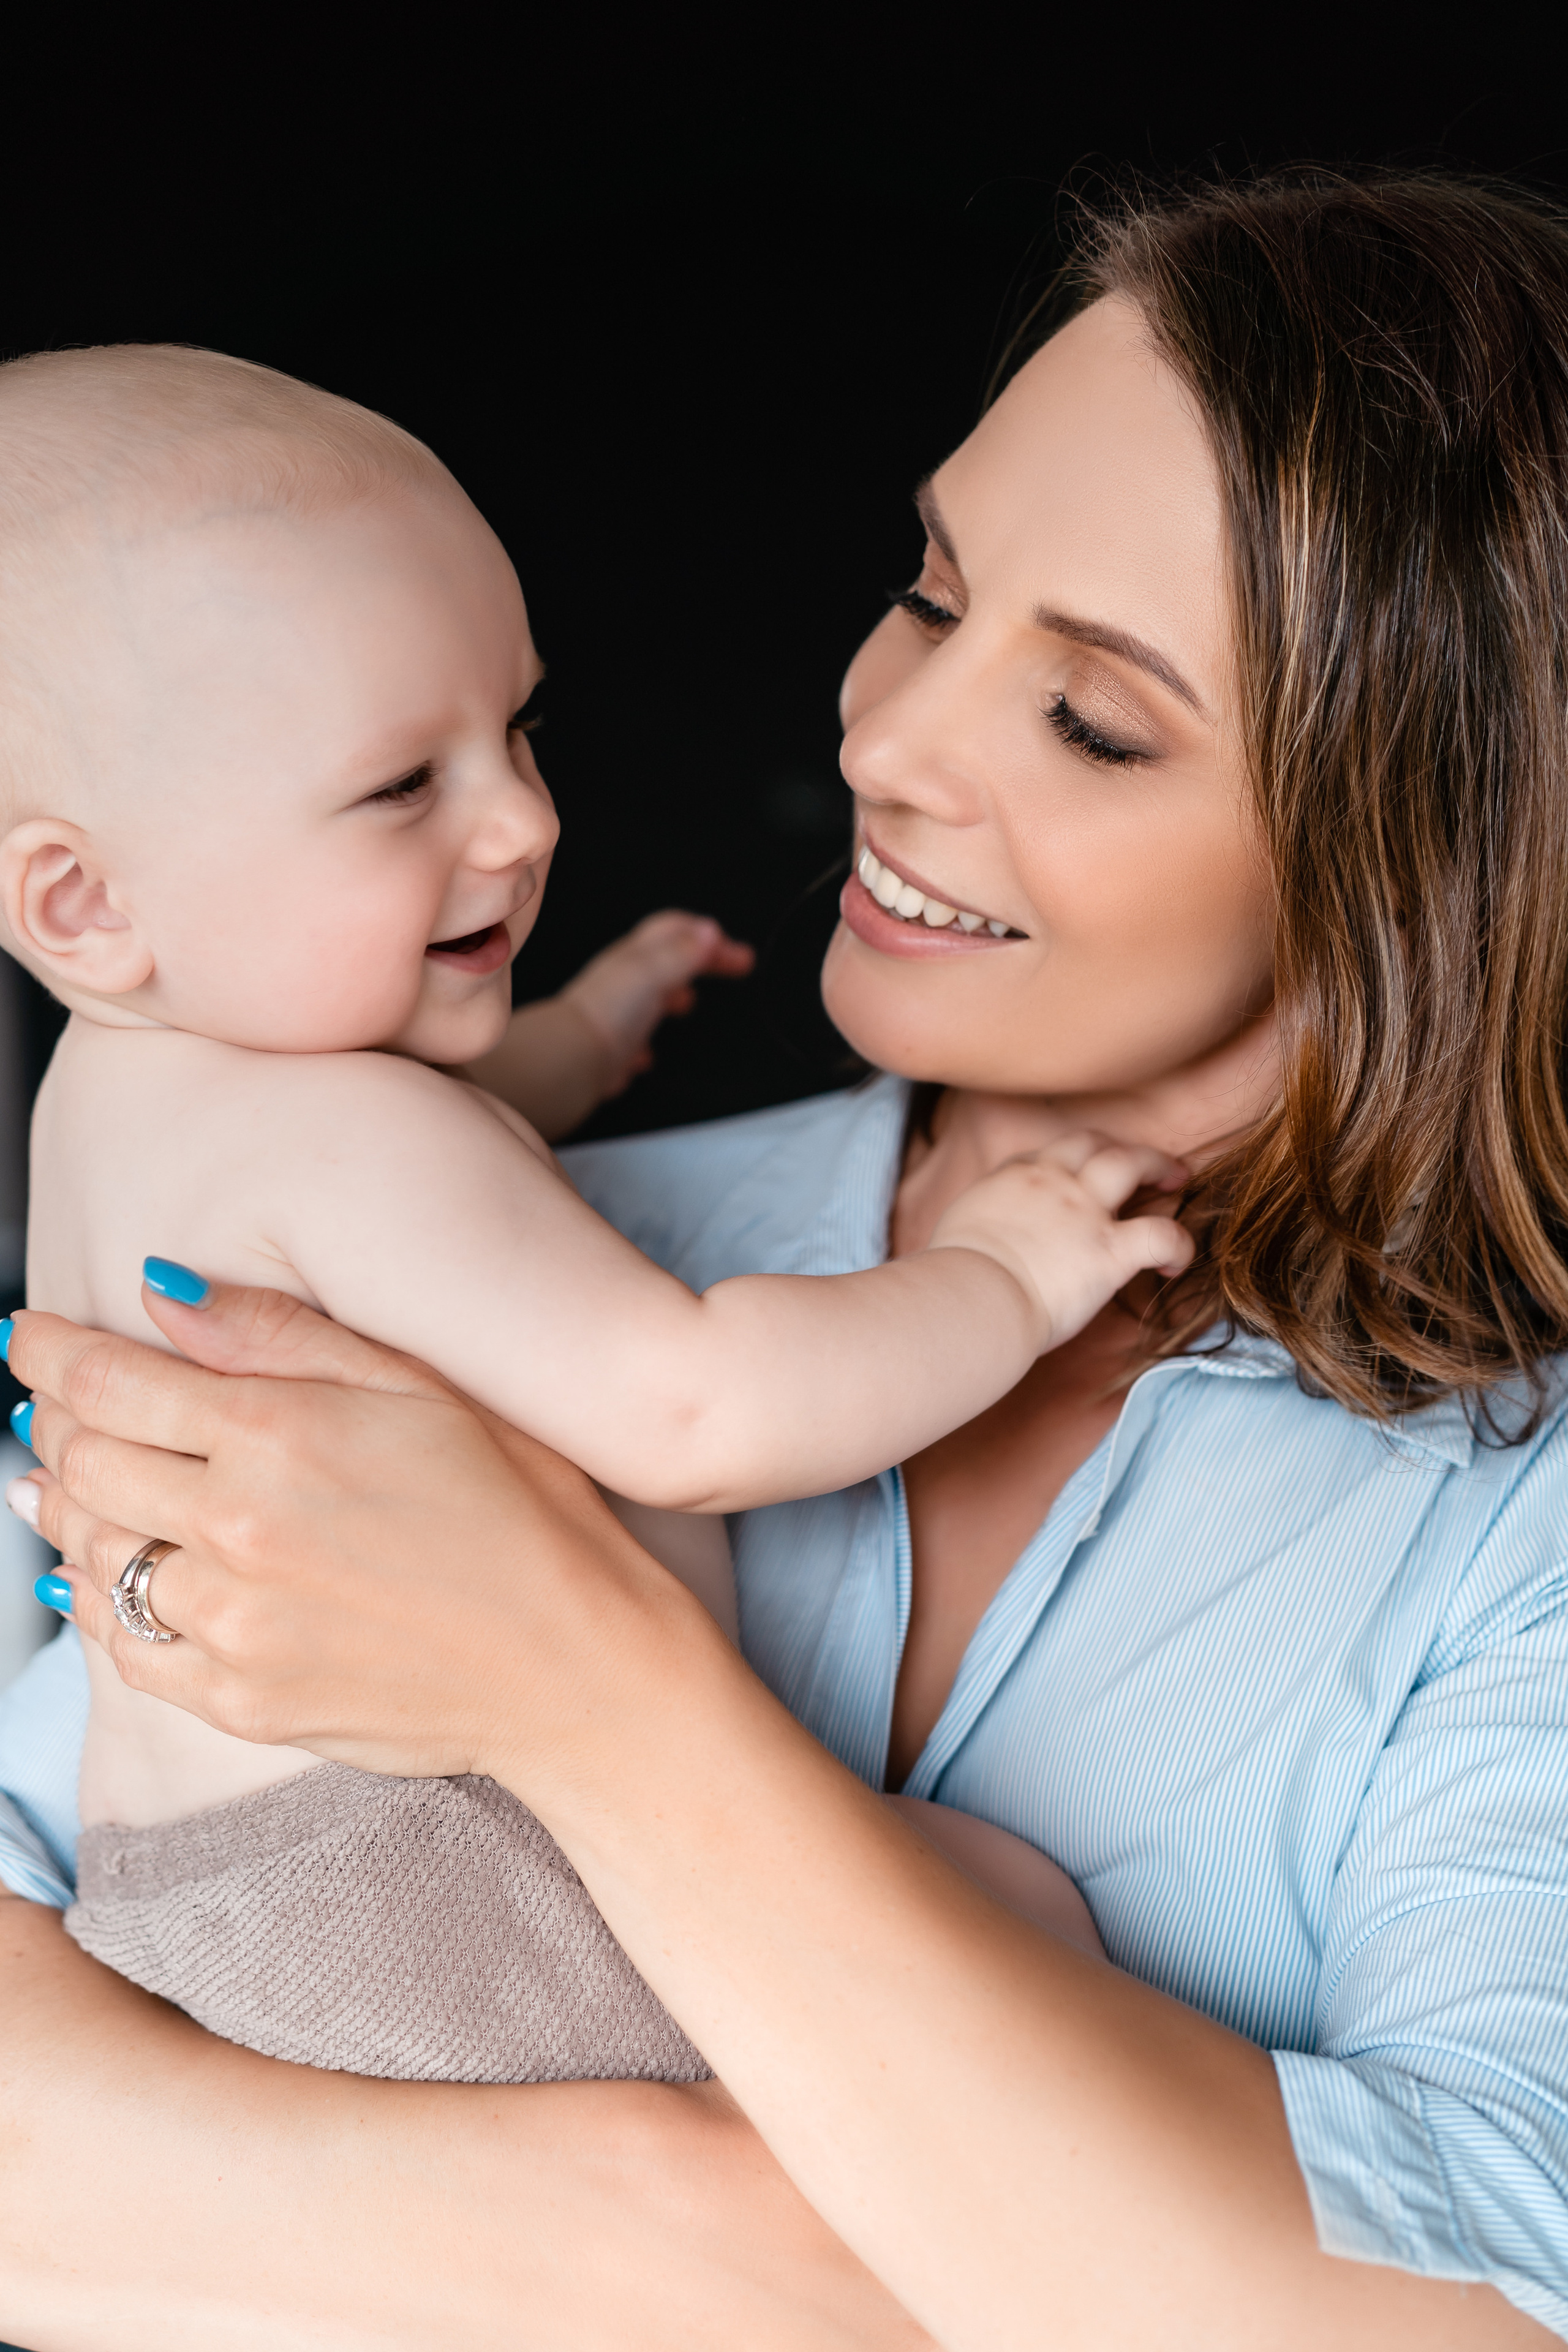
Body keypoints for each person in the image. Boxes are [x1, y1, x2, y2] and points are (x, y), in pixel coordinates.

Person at [3, 168, 1567, 2347]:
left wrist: (584, 1690)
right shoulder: (496, 1249)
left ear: (1429, 849)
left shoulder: (1521, 1519)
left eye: (1095, 721)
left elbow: (1479, 2314)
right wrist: (739, 2241)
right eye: (933, 596)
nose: (881, 740)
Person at [0, 344, 1155, 2079]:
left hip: (190, 1881)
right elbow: (701, 1408)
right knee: (1019, 1926)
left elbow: (419, 1192)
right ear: (82, 900)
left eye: (518, 727)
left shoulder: (134, 1087)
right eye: (406, 787)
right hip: (430, 1866)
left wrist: (582, 1038)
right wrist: (1010, 1268)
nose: (524, 820)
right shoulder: (345, 1137)